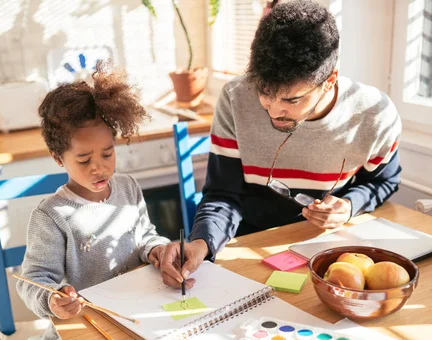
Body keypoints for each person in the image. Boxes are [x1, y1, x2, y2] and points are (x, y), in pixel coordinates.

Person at [159, 0, 402, 289]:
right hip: (249, 244)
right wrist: (202, 242)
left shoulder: (374, 115)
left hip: (331, 255)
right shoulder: (236, 98)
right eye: (265, 92)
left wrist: (349, 206)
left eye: (292, 100)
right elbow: (223, 194)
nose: (273, 111)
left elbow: (383, 183)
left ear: (329, 81)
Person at [16, 67, 169, 340]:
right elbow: (33, 280)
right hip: (81, 333)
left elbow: (145, 238)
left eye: (107, 153)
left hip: (134, 317)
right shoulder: (52, 215)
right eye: (84, 159)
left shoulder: (128, 187)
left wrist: (158, 250)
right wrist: (54, 300)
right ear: (59, 158)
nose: (99, 167)